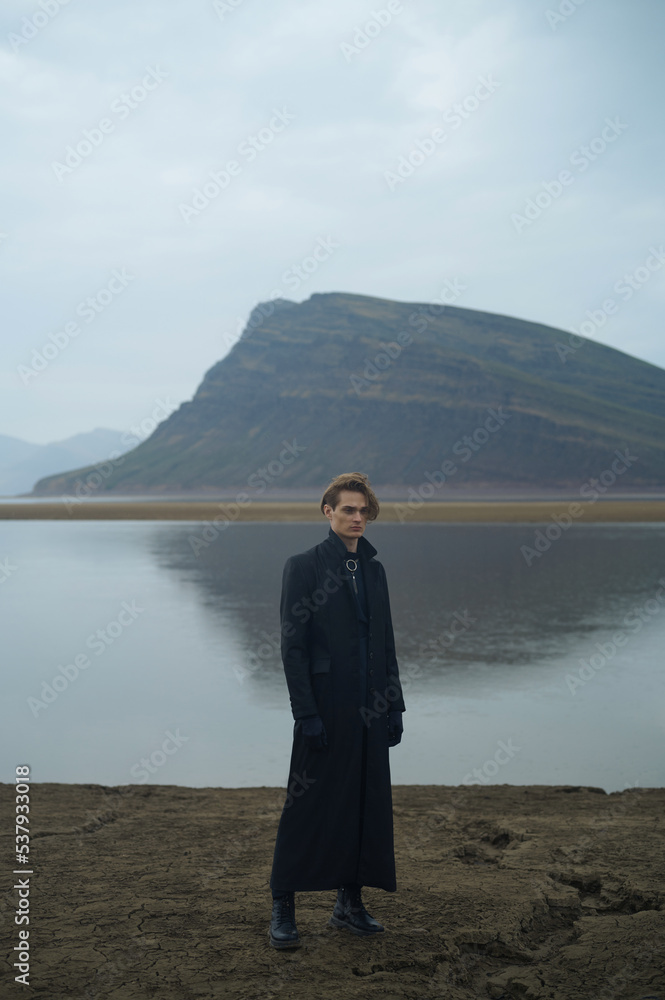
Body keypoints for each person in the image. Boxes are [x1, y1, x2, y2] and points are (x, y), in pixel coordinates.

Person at [268, 471, 405, 949]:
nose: (357, 518)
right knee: (306, 806)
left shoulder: (374, 571)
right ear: (328, 512)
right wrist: (305, 713)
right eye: (349, 509)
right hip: (324, 709)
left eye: (364, 511)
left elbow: (385, 642)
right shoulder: (303, 567)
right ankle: (282, 906)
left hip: (371, 706)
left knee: (364, 803)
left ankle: (349, 904)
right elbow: (293, 648)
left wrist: (395, 705)